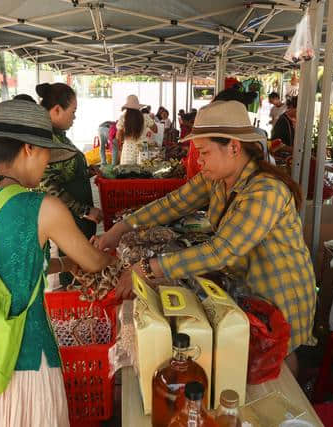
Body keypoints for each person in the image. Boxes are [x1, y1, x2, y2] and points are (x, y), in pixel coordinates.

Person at [94, 101, 317, 377]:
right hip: (247, 288)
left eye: (204, 152)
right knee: (252, 361)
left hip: (281, 294)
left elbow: (221, 251)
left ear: (234, 147)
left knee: (277, 361)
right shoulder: (217, 178)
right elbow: (173, 203)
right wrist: (120, 228)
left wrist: (146, 268)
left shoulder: (266, 191)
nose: (199, 161)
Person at [0, 99, 113, 426]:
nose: (47, 165)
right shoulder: (43, 206)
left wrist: (65, 266)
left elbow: (8, 270)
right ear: (28, 149)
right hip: (26, 358)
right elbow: (94, 262)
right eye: (45, 155)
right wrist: (112, 251)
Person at [35, 82, 104, 286]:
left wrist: (86, 171)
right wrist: (84, 210)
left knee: (82, 261)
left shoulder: (59, 137)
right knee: (76, 264)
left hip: (78, 216)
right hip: (72, 216)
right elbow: (48, 185)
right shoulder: (46, 140)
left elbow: (63, 170)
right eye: (72, 112)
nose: (74, 117)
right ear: (57, 110)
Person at [117, 94, 157, 165]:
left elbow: (119, 137)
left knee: (128, 173)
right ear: (138, 107)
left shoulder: (123, 118)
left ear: (127, 108)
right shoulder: (145, 117)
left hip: (128, 150)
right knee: (143, 173)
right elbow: (155, 130)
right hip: (143, 149)